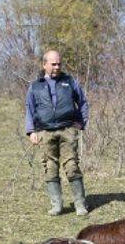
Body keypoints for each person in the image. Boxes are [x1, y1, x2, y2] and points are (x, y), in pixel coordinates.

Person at [25, 50, 89, 216]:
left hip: (68, 130)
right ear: (44, 65)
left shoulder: (69, 82)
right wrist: (31, 131)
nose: (57, 67)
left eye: (59, 63)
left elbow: (82, 102)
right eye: (53, 64)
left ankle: (80, 205)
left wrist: (80, 123)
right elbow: (29, 109)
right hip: (45, 132)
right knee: (50, 167)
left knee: (72, 165)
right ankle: (57, 206)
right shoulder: (35, 86)